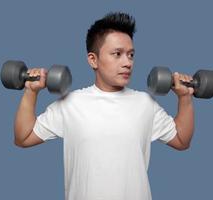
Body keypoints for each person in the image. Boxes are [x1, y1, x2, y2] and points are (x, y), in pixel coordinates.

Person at [14, 12, 194, 200]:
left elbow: (181, 141)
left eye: (131, 55)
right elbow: (23, 138)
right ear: (93, 60)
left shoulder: (145, 104)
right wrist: (31, 92)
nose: (127, 63)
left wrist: (185, 97)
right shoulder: (71, 103)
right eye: (117, 54)